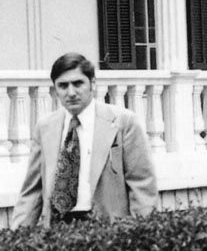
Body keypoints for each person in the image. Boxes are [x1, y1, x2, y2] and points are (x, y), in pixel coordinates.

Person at [11, 53, 158, 229]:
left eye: (78, 83)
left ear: (92, 84)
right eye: (63, 86)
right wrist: (16, 235)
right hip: (58, 229)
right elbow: (32, 191)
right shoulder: (45, 127)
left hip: (107, 229)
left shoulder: (123, 122)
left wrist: (139, 235)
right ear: (55, 88)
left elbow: (142, 184)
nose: (71, 92)